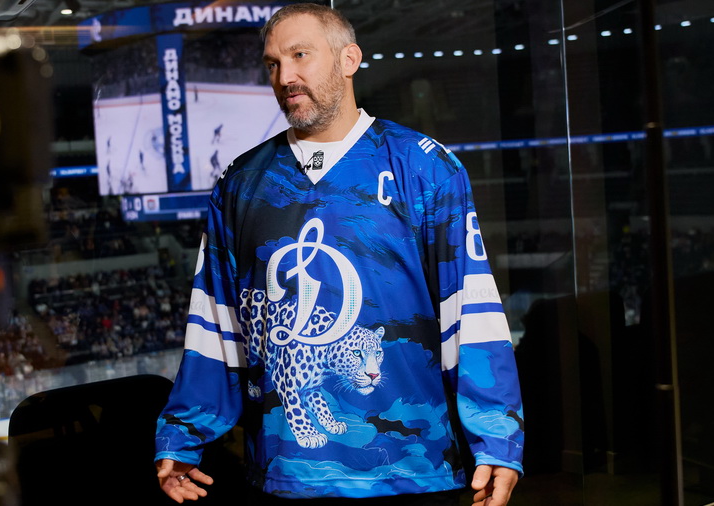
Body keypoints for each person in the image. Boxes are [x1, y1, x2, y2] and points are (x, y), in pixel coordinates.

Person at [155, 4, 523, 506]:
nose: (285, 77)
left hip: (415, 474)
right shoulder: (240, 183)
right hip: (284, 475)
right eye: (273, 63)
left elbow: (472, 310)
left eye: (300, 55)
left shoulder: (424, 167)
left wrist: (497, 439)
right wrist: (183, 435)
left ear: (349, 59)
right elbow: (215, 323)